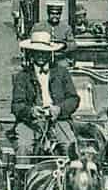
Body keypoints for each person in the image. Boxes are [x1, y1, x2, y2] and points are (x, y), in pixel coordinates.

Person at [11, 27, 79, 159]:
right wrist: (31, 111)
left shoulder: (62, 72)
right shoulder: (22, 76)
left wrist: (58, 109)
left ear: (50, 53)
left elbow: (73, 99)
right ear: (31, 53)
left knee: (70, 145)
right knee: (23, 148)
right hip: (30, 123)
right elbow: (16, 105)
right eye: (37, 52)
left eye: (44, 52)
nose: (41, 56)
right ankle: (22, 178)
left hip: (58, 120)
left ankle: (69, 178)